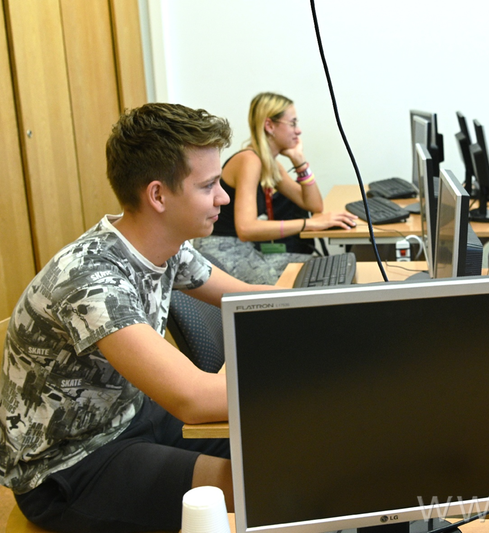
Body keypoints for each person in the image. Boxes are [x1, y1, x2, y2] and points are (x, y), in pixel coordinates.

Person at [0, 103, 274, 532]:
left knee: (276, 446)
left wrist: (331, 308)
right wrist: (317, 376)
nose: (223, 196)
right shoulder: (92, 280)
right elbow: (193, 398)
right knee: (262, 482)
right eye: (209, 185)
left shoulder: (167, 245)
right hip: (68, 465)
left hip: (128, 414)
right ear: (158, 195)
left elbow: (247, 298)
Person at [194, 92, 357, 284]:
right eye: (293, 123)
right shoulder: (249, 160)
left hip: (245, 250)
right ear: (270, 126)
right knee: (316, 274)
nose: (298, 131)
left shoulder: (268, 162)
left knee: (323, 267)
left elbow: (313, 205)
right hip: (222, 254)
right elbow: (246, 228)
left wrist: (300, 161)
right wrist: (310, 224)